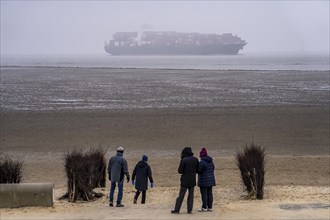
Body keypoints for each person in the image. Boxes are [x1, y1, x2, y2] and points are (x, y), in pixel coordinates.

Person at [171, 147, 199, 214]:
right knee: (191, 196)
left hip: (184, 180)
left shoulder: (184, 160)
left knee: (181, 195)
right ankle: (189, 210)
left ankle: (177, 210)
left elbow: (180, 171)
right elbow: (198, 170)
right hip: (192, 180)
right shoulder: (195, 159)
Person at [197, 147, 216, 212]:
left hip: (203, 180)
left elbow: (199, 170)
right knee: (210, 193)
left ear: (201, 155)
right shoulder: (211, 161)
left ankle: (204, 207)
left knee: (204, 194)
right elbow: (213, 168)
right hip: (211, 180)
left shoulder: (202, 162)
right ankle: (210, 207)